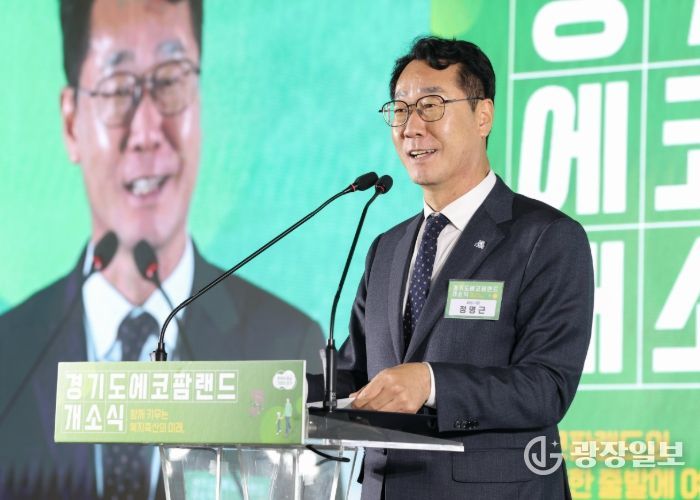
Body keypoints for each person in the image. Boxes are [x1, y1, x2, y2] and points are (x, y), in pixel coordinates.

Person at [0, 1, 323, 498]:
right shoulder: (10, 355)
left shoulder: (287, 349)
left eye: (170, 81)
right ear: (71, 123)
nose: (148, 131)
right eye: (117, 89)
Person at [309, 36, 594, 499]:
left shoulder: (545, 237)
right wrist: (264, 392)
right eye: (400, 110)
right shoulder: (387, 248)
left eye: (431, 106)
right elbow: (355, 376)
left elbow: (547, 386)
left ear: (483, 116)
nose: (411, 127)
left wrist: (432, 383)